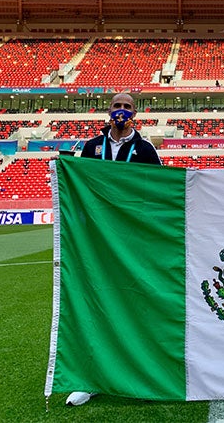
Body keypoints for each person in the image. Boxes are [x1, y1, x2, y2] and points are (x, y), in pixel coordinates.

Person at [66, 93, 161, 407]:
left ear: (136, 113)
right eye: (116, 105)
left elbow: (158, 190)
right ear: (108, 111)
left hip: (132, 243)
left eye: (127, 106)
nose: (121, 110)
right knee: (97, 304)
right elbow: (78, 187)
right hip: (97, 242)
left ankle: (144, 374)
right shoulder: (92, 146)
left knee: (136, 305)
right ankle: (92, 378)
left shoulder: (146, 149)